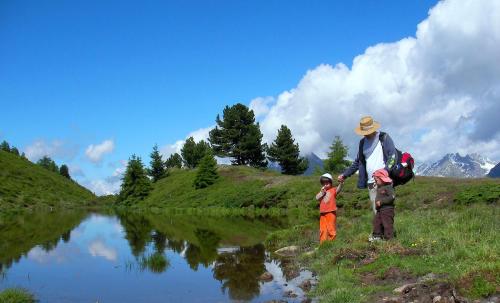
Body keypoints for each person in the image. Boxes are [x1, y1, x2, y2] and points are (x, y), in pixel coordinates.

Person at [337, 116, 396, 214]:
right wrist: (345, 175)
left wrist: (385, 171)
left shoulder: (384, 137)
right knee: (376, 211)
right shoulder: (362, 143)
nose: (366, 134)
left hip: (384, 182)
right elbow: (358, 162)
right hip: (371, 183)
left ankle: (387, 229)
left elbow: (392, 156)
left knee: (386, 211)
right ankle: (381, 229)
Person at [315, 173, 343, 243]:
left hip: (331, 212)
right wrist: (322, 193)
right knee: (323, 229)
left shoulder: (333, 190)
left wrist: (341, 183)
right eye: (324, 183)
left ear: (331, 183)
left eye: (327, 183)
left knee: (331, 228)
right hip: (322, 213)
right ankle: (323, 244)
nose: (325, 185)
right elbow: (317, 198)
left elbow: (338, 190)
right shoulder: (322, 192)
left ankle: (332, 243)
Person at [370, 168, 396, 241]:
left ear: (382, 179)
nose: (375, 181)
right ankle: (377, 236)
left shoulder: (388, 187)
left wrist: (381, 202)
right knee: (377, 222)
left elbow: (392, 197)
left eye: (376, 180)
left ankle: (389, 239)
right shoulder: (379, 188)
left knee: (387, 224)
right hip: (380, 210)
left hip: (387, 209)